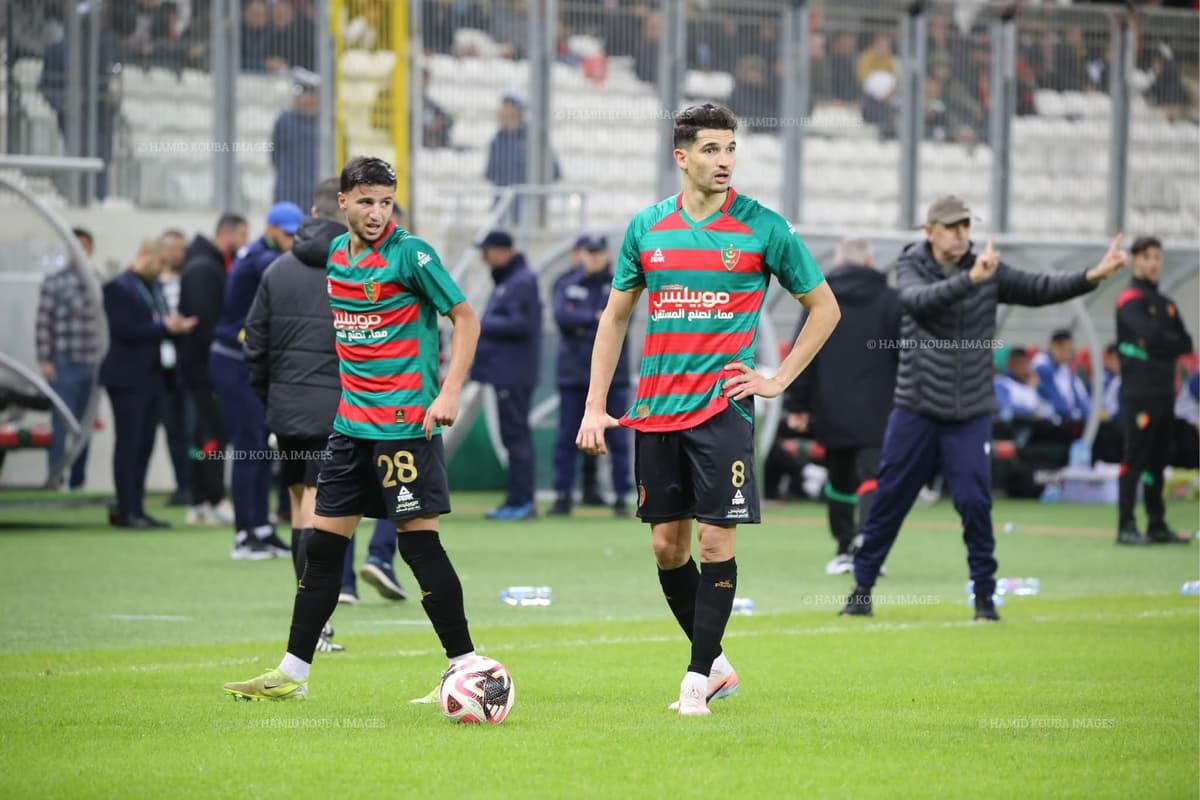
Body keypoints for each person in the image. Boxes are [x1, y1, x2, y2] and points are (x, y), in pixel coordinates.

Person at [576, 103, 840, 716]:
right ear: (683, 156)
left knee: (718, 542)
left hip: (724, 409)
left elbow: (824, 307)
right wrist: (595, 405)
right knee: (668, 548)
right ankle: (717, 662)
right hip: (655, 412)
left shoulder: (764, 227)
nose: (724, 161)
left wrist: (776, 379)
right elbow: (614, 318)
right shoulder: (647, 228)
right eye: (712, 150)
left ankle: (695, 681)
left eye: (731, 149)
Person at [223, 156, 483, 702]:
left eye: (385, 202)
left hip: (403, 427)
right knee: (322, 547)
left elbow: (464, 316)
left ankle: (466, 666)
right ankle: (293, 674)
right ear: (341, 203)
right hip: (348, 427)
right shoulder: (336, 256)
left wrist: (449, 391)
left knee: (419, 548)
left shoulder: (412, 254)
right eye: (365, 201)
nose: (376, 212)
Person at [840, 196, 1129, 622]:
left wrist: (1092, 276)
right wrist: (971, 280)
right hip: (916, 408)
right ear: (930, 232)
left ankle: (984, 599)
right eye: (952, 227)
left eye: (965, 226)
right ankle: (861, 590)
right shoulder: (910, 266)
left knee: (976, 503)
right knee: (890, 502)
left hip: (971, 411)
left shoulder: (987, 268)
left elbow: (1040, 288)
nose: (961, 234)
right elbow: (919, 301)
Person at [784, 237, 900, 575]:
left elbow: (802, 354)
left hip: (831, 406)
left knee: (839, 479)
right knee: (873, 476)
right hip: (881, 407)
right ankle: (869, 544)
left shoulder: (818, 301)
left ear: (836, 263)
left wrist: (797, 405)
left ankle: (845, 546)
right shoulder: (891, 301)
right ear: (869, 262)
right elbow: (906, 355)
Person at [211, 203, 302, 560]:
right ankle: (243, 535)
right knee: (249, 447)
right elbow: (285, 271)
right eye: (289, 234)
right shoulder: (258, 259)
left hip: (253, 364)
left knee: (263, 447)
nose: (293, 241)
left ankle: (261, 528)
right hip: (234, 363)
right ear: (271, 229)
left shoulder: (265, 254)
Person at [99, 238, 197, 528]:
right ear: (144, 256)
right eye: (159, 263)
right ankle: (126, 510)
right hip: (127, 379)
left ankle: (138, 509)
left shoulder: (153, 287)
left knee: (145, 445)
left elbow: (158, 322)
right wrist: (164, 326)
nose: (162, 269)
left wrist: (173, 327)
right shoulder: (118, 288)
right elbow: (124, 329)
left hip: (155, 377)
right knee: (129, 445)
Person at [1114, 236, 1194, 545]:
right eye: (1147, 257)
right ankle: (1126, 525)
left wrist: (1161, 344)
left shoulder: (1167, 304)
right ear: (1135, 260)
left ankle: (1157, 523)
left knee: (1158, 462)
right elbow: (1153, 336)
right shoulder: (1129, 300)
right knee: (1135, 458)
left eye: (1157, 257)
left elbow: (1184, 342)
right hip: (1138, 393)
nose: (1152, 263)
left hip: (1164, 393)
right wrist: (1163, 344)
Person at [549, 233, 632, 517]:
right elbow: (562, 317)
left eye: (599, 252)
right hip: (573, 375)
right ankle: (563, 496)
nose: (594, 257)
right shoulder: (565, 283)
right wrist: (594, 319)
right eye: (589, 252)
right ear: (579, 254)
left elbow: (618, 321)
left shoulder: (619, 283)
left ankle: (622, 496)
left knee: (618, 440)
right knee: (568, 438)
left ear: (607, 255)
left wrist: (587, 321)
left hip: (613, 378)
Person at [179, 213, 248, 526]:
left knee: (203, 436)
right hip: (206, 368)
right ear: (227, 233)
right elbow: (206, 322)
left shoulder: (210, 264)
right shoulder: (204, 268)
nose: (245, 242)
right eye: (242, 234)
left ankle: (201, 499)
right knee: (211, 436)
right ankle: (212, 497)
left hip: (205, 367)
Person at [471, 230, 542, 521]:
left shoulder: (521, 281)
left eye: (487, 251)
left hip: (514, 373)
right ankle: (516, 498)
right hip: (506, 373)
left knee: (516, 438)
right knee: (513, 438)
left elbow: (521, 324)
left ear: (502, 251)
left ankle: (523, 500)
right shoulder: (510, 280)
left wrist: (483, 323)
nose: (484, 258)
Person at [36, 227, 104, 490]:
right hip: (64, 362)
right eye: (77, 245)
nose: (81, 250)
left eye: (86, 245)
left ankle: (78, 480)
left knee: (85, 427)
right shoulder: (54, 282)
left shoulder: (98, 280)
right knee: (61, 424)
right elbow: (43, 323)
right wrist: (46, 359)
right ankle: (56, 478)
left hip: (93, 364)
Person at [158, 229, 193, 506]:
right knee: (172, 431)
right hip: (160, 367)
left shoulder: (189, 279)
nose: (177, 254)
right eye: (173, 248)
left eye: (182, 248)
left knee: (191, 429)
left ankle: (194, 486)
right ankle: (181, 484)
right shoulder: (152, 283)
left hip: (186, 362)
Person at [271, 74, 319, 209]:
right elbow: (275, 153)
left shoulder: (325, 123)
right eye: (297, 96)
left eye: (303, 95)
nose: (298, 100)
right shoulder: (284, 120)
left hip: (314, 192)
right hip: (287, 189)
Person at [1033, 329, 1090, 425]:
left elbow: (1078, 398)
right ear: (1053, 346)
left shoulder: (1064, 367)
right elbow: (1059, 404)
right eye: (1064, 350)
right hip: (1046, 421)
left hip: (1066, 418)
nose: (1068, 355)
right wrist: (1073, 414)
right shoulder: (1041, 365)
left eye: (1070, 350)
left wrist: (1086, 414)